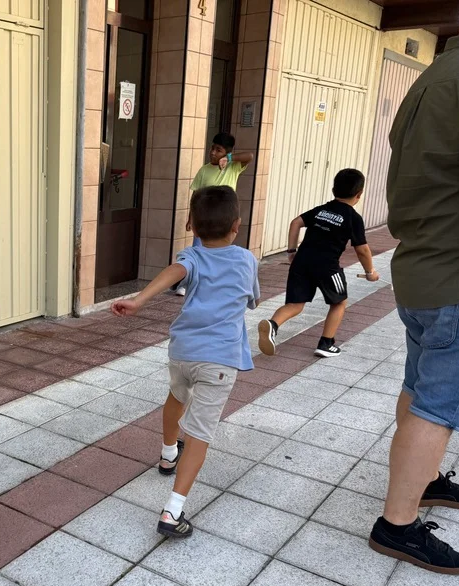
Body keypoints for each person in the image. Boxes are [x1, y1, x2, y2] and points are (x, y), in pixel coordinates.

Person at [368, 0, 459, 574]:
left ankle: (423, 480)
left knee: (420, 386)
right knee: (439, 404)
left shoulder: (436, 73)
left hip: (424, 268)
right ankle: (397, 525)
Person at [113, 186, 260, 537]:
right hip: (219, 360)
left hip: (182, 352)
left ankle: (167, 455)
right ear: (237, 225)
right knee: (199, 435)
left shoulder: (191, 256)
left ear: (191, 224)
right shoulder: (246, 260)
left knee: (177, 396)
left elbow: (175, 271)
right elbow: (252, 300)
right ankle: (172, 512)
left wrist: (139, 300)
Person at [257, 169, 379, 358]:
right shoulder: (353, 218)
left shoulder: (322, 210)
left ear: (333, 189)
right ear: (359, 194)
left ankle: (272, 325)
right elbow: (362, 249)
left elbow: (295, 223)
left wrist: (291, 251)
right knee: (339, 302)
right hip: (327, 266)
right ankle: (326, 343)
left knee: (295, 304)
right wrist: (370, 271)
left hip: (302, 261)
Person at [173, 133, 254, 296]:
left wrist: (229, 159)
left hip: (225, 219)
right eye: (212, 148)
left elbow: (249, 156)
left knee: (220, 251)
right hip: (204, 218)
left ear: (227, 152)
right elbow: (195, 196)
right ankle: (188, 282)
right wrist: (191, 218)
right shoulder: (204, 170)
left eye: (218, 150)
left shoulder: (233, 167)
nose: (213, 153)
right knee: (198, 250)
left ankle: (216, 282)